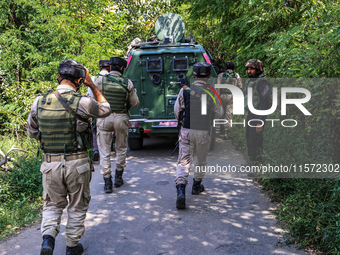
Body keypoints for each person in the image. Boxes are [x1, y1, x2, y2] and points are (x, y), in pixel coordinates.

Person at [27, 60, 111, 255]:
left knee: (52, 204)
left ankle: (48, 239)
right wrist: (92, 84)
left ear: (58, 77)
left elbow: (32, 133)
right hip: (77, 163)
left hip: (50, 164)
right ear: (80, 81)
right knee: (77, 205)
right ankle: (72, 246)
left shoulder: (39, 102)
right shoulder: (84, 102)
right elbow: (106, 109)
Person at [174, 62, 222, 210]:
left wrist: (182, 122)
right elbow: (219, 113)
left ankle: (181, 191)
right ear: (208, 77)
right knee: (201, 160)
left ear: (194, 76)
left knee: (184, 161)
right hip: (203, 131)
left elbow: (177, 110)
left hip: (187, 130)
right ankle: (196, 186)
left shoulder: (185, 91)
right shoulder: (213, 92)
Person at [95, 56, 139, 193]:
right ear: (121, 68)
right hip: (121, 118)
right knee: (120, 148)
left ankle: (107, 183)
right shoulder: (127, 83)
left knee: (104, 151)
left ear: (109, 67)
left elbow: (92, 99)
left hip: (104, 117)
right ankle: (118, 178)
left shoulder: (100, 80)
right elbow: (135, 104)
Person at [244, 59, 271, 164]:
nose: (249, 71)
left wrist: (261, 121)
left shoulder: (262, 82)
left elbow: (265, 103)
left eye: (252, 69)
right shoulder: (250, 81)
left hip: (258, 116)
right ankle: (252, 161)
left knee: (256, 141)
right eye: (248, 69)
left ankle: (257, 165)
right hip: (251, 115)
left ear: (258, 70)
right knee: (249, 139)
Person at [88, 59, 110, 162]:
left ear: (100, 67)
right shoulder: (113, 79)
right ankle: (107, 148)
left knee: (95, 129)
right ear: (109, 67)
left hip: (96, 108)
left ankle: (96, 149)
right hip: (109, 108)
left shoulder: (93, 78)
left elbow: (90, 96)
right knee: (110, 129)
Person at [217, 61, 243, 140]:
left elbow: (217, 87)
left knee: (221, 112)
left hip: (222, 96)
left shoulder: (221, 75)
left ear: (226, 67)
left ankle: (219, 129)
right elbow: (240, 86)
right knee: (229, 114)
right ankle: (226, 132)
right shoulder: (236, 75)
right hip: (232, 96)